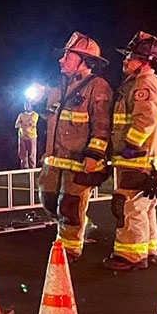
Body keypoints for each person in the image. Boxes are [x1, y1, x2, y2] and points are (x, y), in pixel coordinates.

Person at [38, 33, 113, 261]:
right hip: (54, 161)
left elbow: (102, 126)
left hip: (80, 162)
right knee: (49, 201)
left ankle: (69, 249)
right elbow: (52, 118)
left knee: (70, 206)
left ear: (85, 60)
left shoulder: (98, 87)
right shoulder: (56, 87)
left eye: (67, 56)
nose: (61, 60)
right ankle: (81, 225)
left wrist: (94, 155)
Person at [106, 32, 157, 271]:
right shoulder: (145, 82)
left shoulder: (144, 83)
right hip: (147, 159)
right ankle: (147, 249)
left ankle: (130, 256)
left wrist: (130, 146)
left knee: (129, 206)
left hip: (138, 158)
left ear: (145, 61)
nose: (125, 60)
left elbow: (146, 119)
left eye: (131, 57)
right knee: (144, 206)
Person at [16, 102, 39, 168]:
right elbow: (16, 125)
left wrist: (22, 124)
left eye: (28, 105)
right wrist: (26, 125)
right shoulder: (21, 115)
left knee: (32, 155)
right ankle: (23, 170)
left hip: (31, 136)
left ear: (31, 106)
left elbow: (32, 123)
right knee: (22, 155)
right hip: (22, 136)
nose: (27, 107)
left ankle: (32, 170)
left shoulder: (35, 114)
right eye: (25, 105)